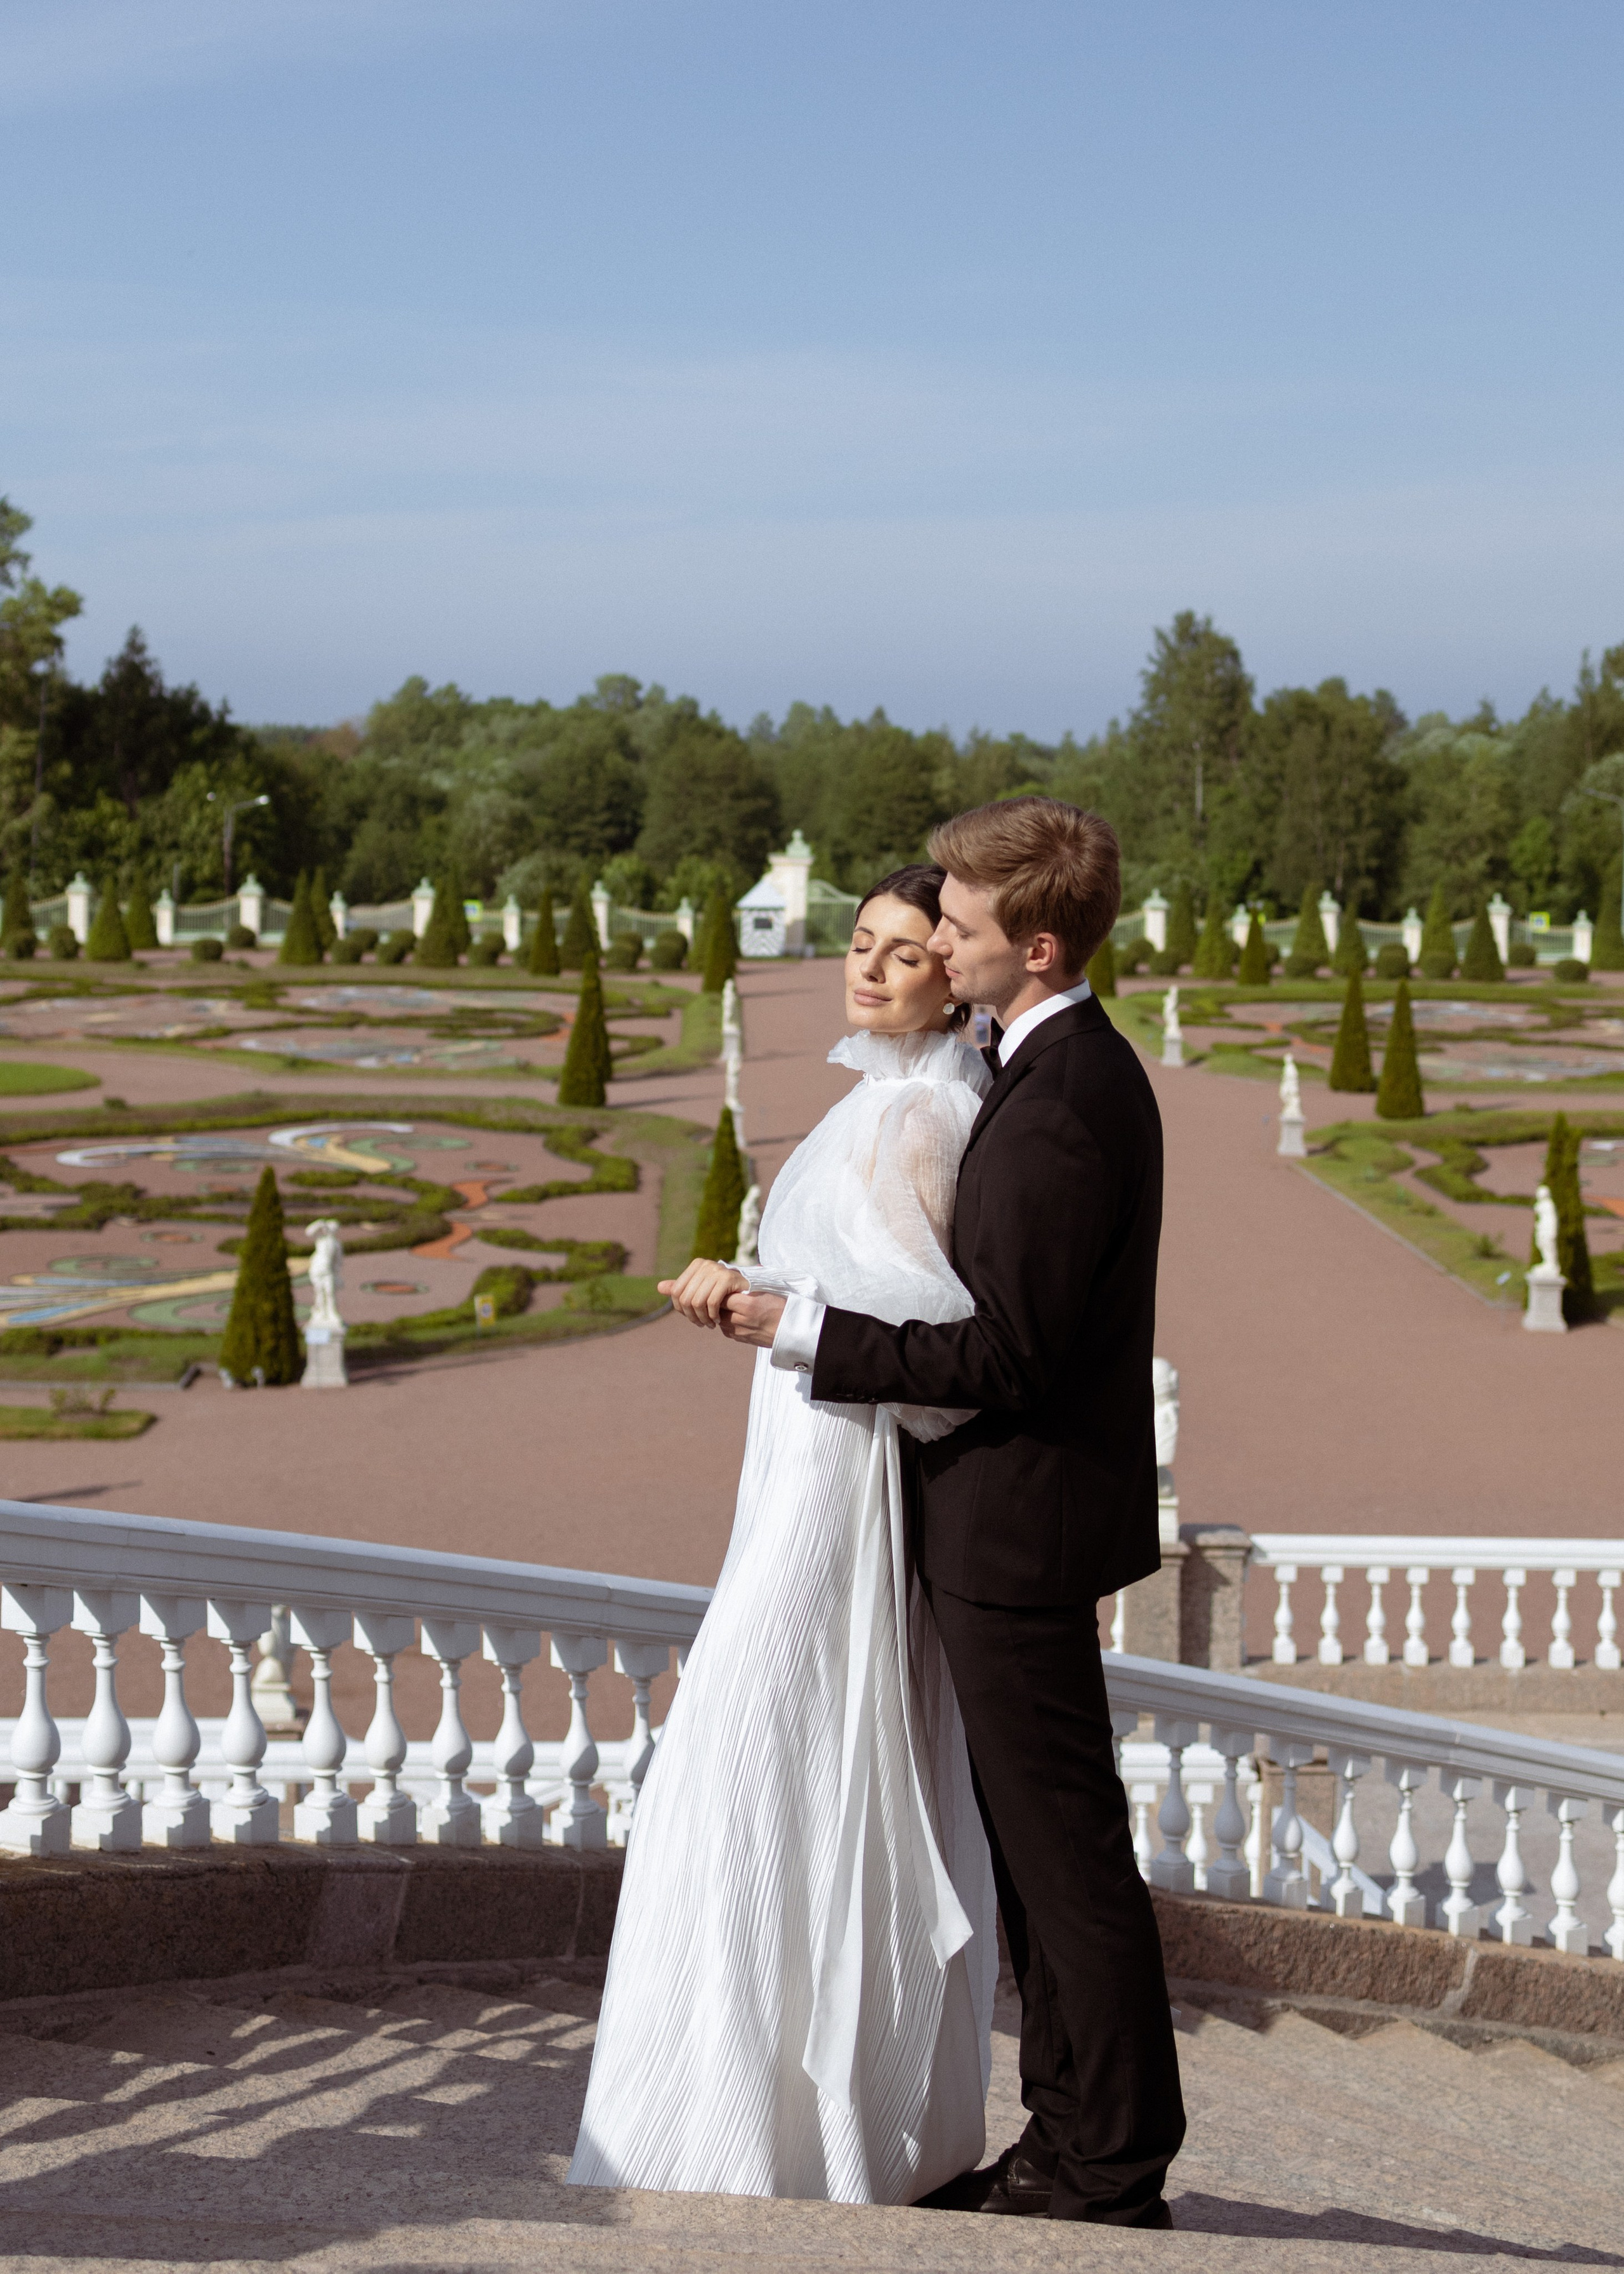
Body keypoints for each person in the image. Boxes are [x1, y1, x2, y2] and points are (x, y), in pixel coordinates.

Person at [723, 798, 1186, 2226]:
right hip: (1009, 1522)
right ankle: (1070, 2143)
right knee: (1045, 1855)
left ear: (1033, 948)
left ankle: (1102, 2164)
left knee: (1061, 1862)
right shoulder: (1043, 1067)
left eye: (963, 930)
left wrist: (789, 1322)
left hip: (1012, 1531)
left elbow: (1002, 1357)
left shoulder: (1059, 1110)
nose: (940, 941)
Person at [567, 865, 999, 2207]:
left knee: (746, 1762)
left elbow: (937, 1356)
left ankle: (748, 2136)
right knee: (765, 1768)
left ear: (955, 975)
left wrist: (777, 1317)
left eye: (905, 953)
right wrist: (746, 1289)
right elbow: (836, 1289)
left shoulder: (923, 1115)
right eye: (861, 945)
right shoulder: (871, 1101)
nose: (868, 970)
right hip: (794, 1467)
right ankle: (769, 2122)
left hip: (836, 1486)